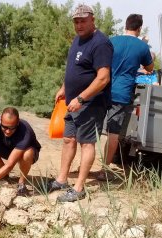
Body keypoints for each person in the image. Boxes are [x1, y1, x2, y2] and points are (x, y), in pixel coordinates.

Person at [48, 3, 113, 202]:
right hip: (72, 102)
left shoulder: (101, 43)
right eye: (76, 21)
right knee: (68, 139)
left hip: (90, 103)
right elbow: (75, 69)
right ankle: (61, 179)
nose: (79, 24)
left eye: (83, 20)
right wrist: (64, 88)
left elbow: (103, 78)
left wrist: (81, 98)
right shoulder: (77, 40)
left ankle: (79, 188)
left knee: (86, 143)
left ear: (92, 19)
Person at [97, 14, 154, 181]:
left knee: (93, 131)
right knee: (113, 133)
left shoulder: (112, 40)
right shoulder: (142, 46)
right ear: (139, 28)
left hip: (102, 89)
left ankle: (83, 166)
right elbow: (149, 68)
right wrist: (143, 45)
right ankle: (103, 170)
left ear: (125, 25)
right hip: (121, 94)